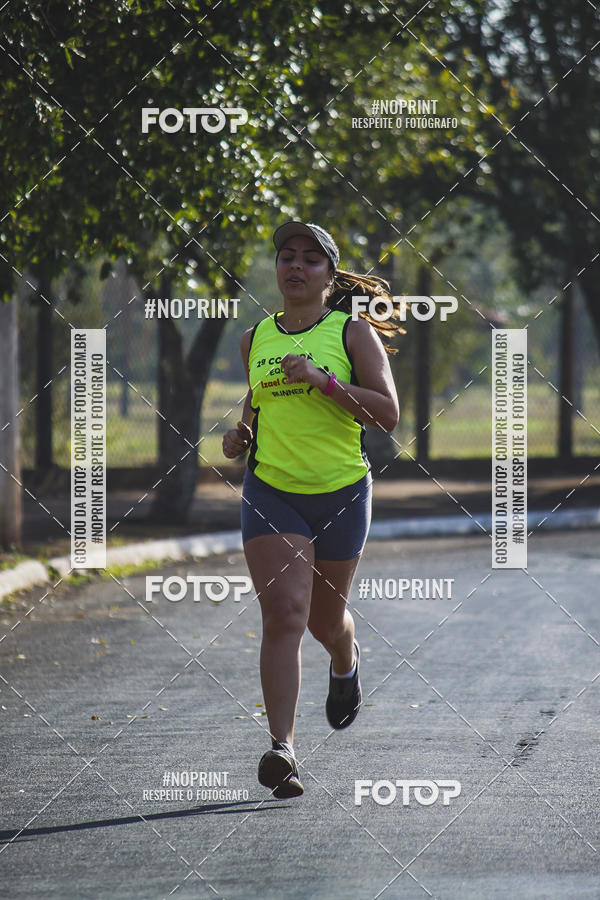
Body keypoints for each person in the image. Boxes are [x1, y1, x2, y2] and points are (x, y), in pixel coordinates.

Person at [222, 221, 402, 799]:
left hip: (341, 492)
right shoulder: (254, 338)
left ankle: (345, 658)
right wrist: (242, 434)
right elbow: (258, 402)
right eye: (286, 256)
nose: (295, 266)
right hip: (271, 491)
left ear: (329, 275)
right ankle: (283, 750)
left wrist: (325, 382)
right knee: (285, 613)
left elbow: (387, 414)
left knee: (326, 622)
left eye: (310, 259)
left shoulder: (350, 333)